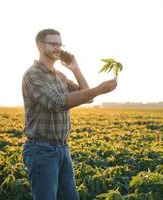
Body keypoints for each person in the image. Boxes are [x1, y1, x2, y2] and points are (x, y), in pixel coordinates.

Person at [21, 28, 117, 200]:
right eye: (53, 44)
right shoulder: (32, 75)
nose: (58, 48)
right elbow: (56, 102)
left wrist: (76, 69)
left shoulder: (59, 75)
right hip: (41, 149)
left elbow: (86, 97)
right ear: (39, 45)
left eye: (60, 44)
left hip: (62, 148)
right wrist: (98, 90)